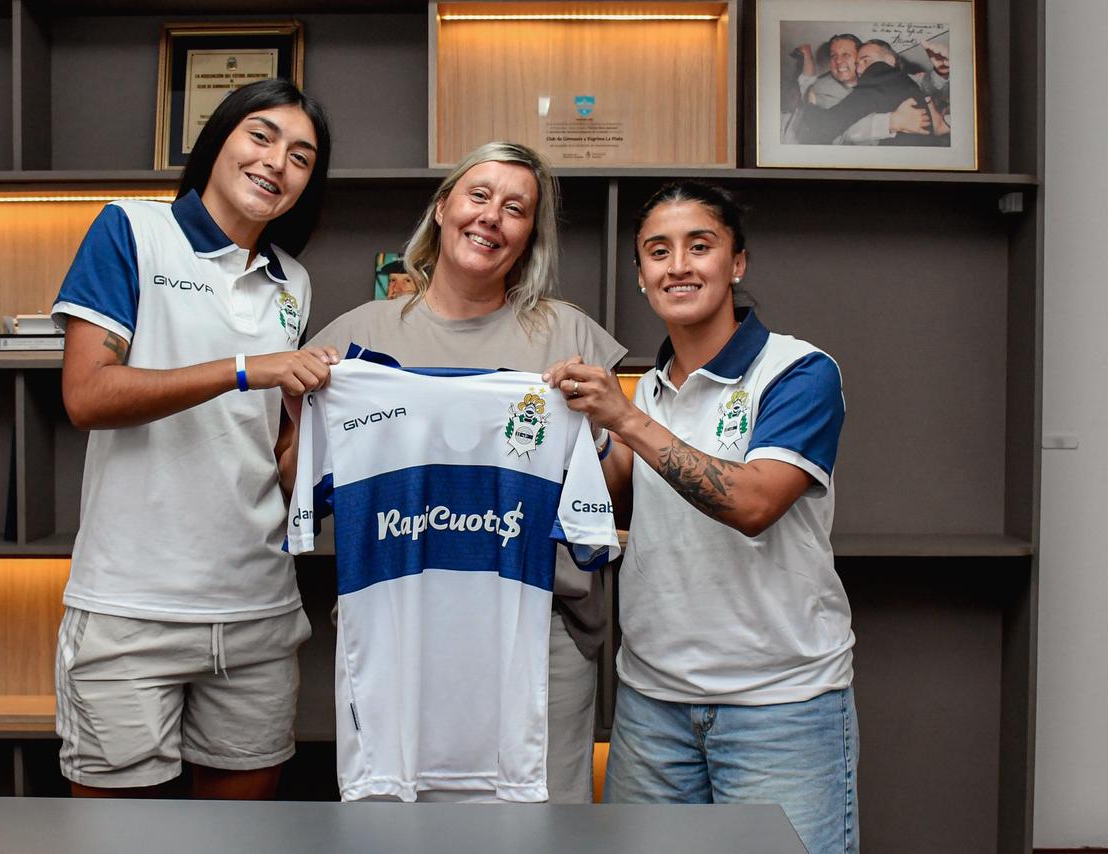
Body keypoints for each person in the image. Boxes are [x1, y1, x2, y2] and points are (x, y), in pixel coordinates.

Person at [305, 140, 626, 802]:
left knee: (537, 827)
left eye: (516, 208)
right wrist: (299, 413)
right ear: (442, 206)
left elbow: (613, 495)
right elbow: (298, 485)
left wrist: (606, 424)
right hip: (400, 620)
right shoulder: (356, 341)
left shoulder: (569, 336)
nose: (491, 217)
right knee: (400, 823)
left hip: (536, 627)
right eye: (479, 195)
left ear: (530, 235)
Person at [544, 181, 855, 854]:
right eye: (658, 251)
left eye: (700, 246)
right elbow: (617, 501)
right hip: (651, 704)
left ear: (737, 262)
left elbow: (753, 503)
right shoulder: (648, 390)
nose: (678, 265)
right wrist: (569, 432)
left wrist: (623, 419)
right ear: (640, 275)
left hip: (779, 706)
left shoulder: (798, 372)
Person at [49, 78, 338, 799]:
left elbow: (269, 451)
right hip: (131, 608)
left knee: (238, 840)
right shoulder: (131, 229)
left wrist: (309, 433)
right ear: (217, 141)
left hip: (258, 610)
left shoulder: (293, 283)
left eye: (301, 157)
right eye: (261, 136)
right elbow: (87, 395)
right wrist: (244, 369)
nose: (277, 162)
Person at [795, 38, 941, 146]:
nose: (838, 61)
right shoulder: (823, 89)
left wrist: (941, 74)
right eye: (833, 56)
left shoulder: (878, 73)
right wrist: (892, 121)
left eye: (846, 55)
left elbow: (925, 83)